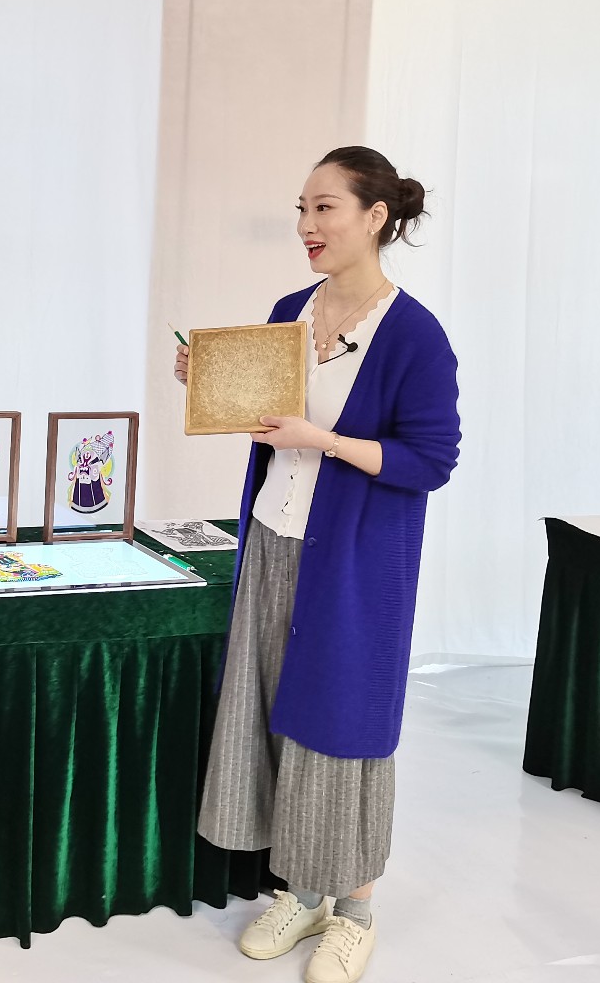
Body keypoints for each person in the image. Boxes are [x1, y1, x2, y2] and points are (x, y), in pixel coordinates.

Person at [175, 147, 460, 983]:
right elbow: (267, 420)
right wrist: (209, 378)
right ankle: (301, 892)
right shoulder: (288, 312)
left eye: (324, 208)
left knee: (344, 721)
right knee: (276, 708)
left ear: (376, 217)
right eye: (301, 208)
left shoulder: (414, 334)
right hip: (273, 538)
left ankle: (356, 912)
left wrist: (325, 441)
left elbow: (431, 460)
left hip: (356, 562)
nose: (306, 225)